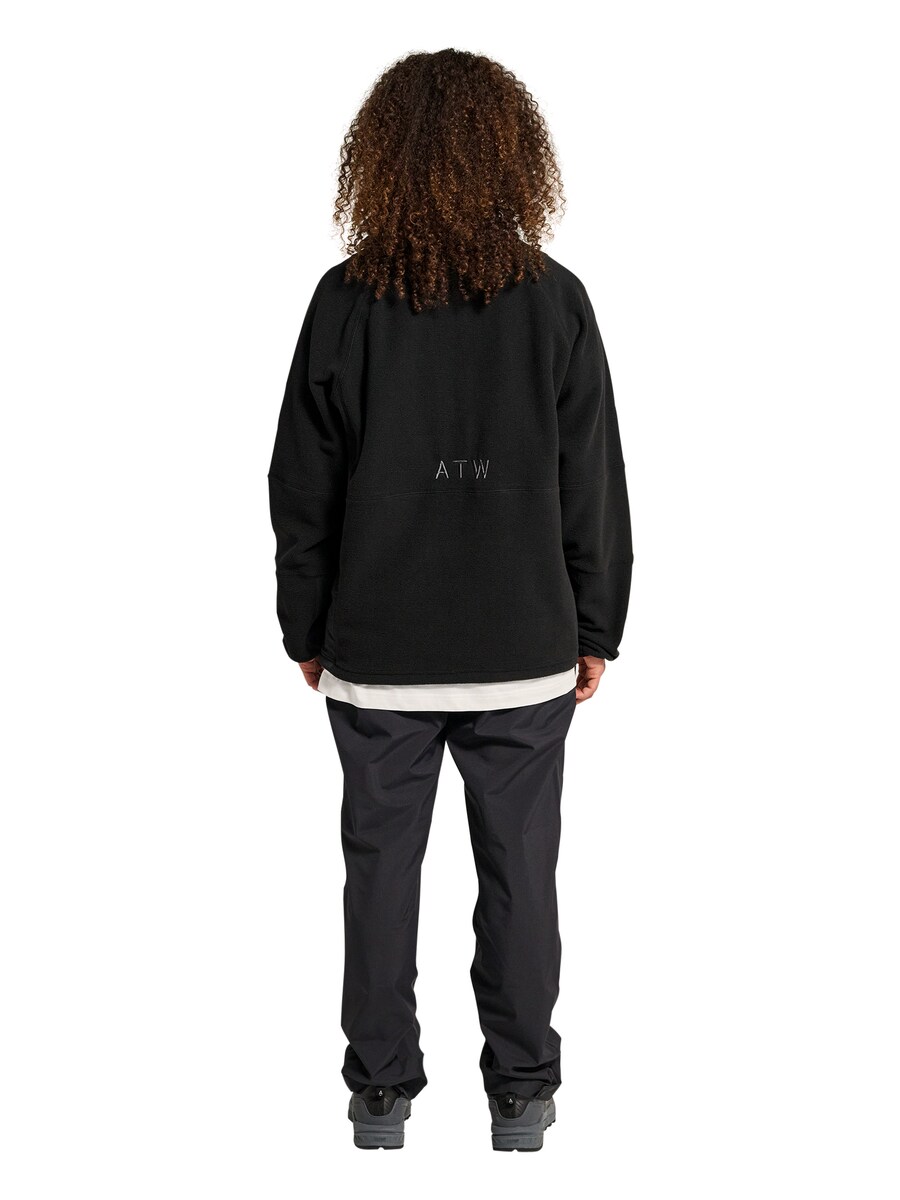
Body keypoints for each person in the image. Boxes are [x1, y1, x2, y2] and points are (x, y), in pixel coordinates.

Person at [268, 47, 634, 1152]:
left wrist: (305, 627)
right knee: (521, 875)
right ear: (514, 157)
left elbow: (301, 486)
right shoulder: (555, 301)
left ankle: (379, 1095)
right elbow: (592, 483)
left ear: (380, 160)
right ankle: (521, 1094)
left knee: (379, 874)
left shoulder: (347, 302)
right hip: (523, 649)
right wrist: (597, 626)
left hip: (377, 650)